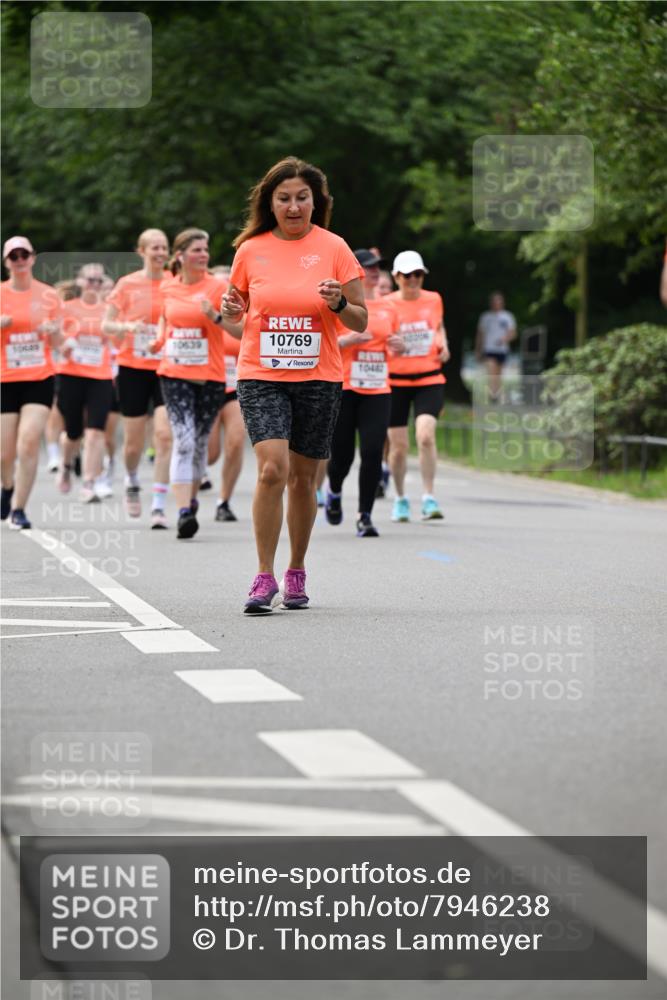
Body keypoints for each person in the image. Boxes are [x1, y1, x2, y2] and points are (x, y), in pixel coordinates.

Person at [222, 156, 367, 614]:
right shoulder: (250, 250)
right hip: (261, 374)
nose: (293, 206)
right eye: (283, 198)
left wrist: (340, 301)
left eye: (302, 197)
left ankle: (296, 569)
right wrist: (229, 313)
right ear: (271, 202)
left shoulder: (335, 248)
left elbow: (361, 320)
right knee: (271, 469)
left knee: (304, 480)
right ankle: (263, 576)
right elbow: (235, 321)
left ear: (315, 201)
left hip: (318, 376)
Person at [148, 228, 230, 539]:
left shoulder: (218, 287)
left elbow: (240, 329)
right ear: (180, 256)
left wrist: (216, 318)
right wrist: (159, 338)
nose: (204, 254)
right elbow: (165, 318)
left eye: (206, 249)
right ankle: (183, 512)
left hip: (210, 376)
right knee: (183, 441)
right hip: (174, 374)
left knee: (199, 444)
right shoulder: (168, 288)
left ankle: (191, 499)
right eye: (197, 249)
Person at [325, 248, 400, 537]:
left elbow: (394, 342)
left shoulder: (388, 307)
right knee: (342, 456)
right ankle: (333, 489)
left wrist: (399, 346)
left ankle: (364, 516)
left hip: (378, 388)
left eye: (377, 267)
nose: (373, 271)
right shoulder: (340, 303)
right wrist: (349, 341)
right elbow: (327, 342)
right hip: (344, 386)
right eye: (367, 267)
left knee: (371, 452)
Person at [103, 229, 172, 527]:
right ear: (141, 251)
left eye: (164, 247)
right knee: (132, 443)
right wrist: (125, 327)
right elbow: (106, 324)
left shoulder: (175, 282)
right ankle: (131, 478)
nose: (160, 252)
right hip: (133, 367)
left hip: (168, 368)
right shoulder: (127, 284)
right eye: (154, 247)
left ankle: (158, 504)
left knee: (164, 435)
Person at [1, 236, 62, 529]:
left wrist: (53, 332)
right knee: (5, 452)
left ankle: (19, 509)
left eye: (25, 254)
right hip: (5, 378)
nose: (20, 259)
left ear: (34, 258)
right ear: (7, 263)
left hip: (39, 377)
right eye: (14, 256)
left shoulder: (49, 295)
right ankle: (8, 485)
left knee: (28, 443)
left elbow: (62, 341)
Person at [387, 250, 449, 522]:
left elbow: (438, 326)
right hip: (395, 381)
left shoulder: (434, 299)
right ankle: (400, 498)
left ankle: (428, 497)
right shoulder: (385, 304)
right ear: (396, 277)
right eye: (407, 275)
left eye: (418, 274)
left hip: (429, 378)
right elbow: (377, 335)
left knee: (425, 436)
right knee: (398, 447)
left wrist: (443, 343)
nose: (413, 280)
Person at [57, 262, 115, 502]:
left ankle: (89, 482)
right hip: (70, 375)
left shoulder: (109, 310)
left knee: (95, 431)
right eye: (89, 280)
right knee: (73, 432)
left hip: (100, 377)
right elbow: (54, 336)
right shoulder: (66, 308)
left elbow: (115, 339)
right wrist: (65, 344)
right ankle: (66, 464)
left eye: (99, 281)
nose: (94, 285)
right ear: (79, 281)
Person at [206, 326, 246, 522]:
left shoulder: (243, 311)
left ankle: (223, 501)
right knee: (210, 455)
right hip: (207, 385)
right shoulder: (203, 309)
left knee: (236, 441)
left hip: (236, 387)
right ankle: (193, 471)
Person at [475, 291, 516, 401]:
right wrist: (478, 349)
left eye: (498, 301)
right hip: (489, 349)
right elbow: (480, 334)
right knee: (491, 372)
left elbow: (512, 333)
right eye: (494, 301)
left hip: (502, 350)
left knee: (498, 375)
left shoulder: (508, 317)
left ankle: (496, 395)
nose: (496, 303)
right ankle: (492, 395)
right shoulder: (485, 317)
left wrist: (505, 339)